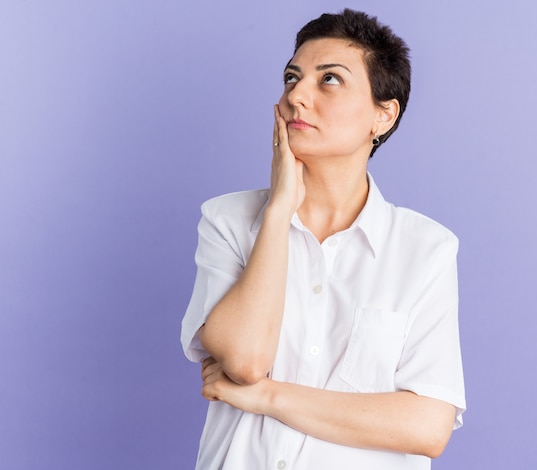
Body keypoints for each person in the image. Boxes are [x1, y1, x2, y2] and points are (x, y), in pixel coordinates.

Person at [181, 8, 465, 469]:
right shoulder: (228, 221)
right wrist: (278, 212)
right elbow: (245, 361)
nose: (297, 96)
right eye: (292, 78)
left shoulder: (426, 249)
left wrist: (268, 396)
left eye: (329, 79)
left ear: (383, 115)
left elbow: (427, 427)